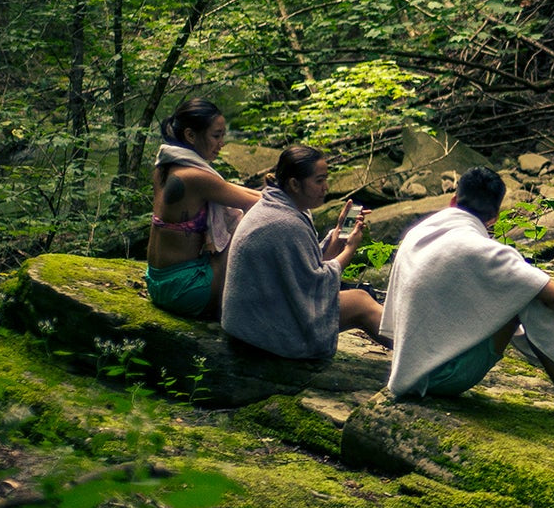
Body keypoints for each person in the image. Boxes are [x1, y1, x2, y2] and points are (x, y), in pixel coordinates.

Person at [381, 167, 554, 420]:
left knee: (522, 288)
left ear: (453, 201)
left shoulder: (419, 233)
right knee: (530, 294)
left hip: (410, 370)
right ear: (493, 217)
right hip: (442, 378)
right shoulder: (480, 249)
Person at [220, 145, 387, 359]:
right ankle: (420, 353)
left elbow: (304, 267)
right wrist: (350, 248)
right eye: (319, 180)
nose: (325, 187)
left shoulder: (276, 206)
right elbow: (315, 281)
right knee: (361, 302)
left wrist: (338, 234)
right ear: (294, 184)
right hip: (262, 332)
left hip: (250, 322)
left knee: (358, 298)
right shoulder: (286, 223)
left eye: (326, 179)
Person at [146, 96, 260, 319]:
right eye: (216, 136)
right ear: (190, 135)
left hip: (156, 282)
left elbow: (230, 189)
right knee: (252, 224)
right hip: (185, 291)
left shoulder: (163, 168)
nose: (222, 143)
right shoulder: (194, 177)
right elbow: (256, 202)